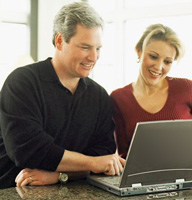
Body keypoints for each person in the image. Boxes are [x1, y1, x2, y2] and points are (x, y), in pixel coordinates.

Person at [0, 2, 125, 189]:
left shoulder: (99, 95)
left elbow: (102, 155)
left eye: (98, 48)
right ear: (59, 41)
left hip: (75, 190)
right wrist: (91, 164)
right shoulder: (22, 82)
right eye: (85, 47)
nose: (93, 57)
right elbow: (28, 150)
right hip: (15, 190)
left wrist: (60, 175)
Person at [110, 24, 192, 182]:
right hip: (155, 186)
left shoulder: (187, 89)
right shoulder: (118, 98)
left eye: (167, 62)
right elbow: (125, 155)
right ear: (139, 51)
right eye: (153, 56)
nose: (159, 67)